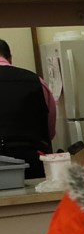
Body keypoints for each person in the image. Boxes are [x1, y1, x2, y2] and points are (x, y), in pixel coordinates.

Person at [0, 39, 56, 179]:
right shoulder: (35, 81)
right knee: (37, 199)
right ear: (10, 58)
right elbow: (50, 129)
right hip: (31, 161)